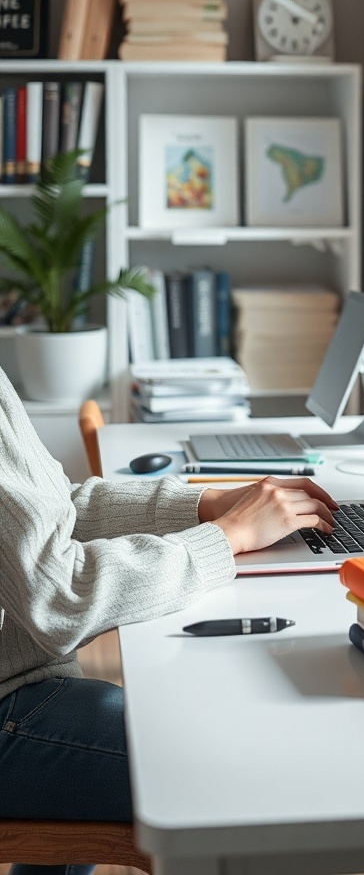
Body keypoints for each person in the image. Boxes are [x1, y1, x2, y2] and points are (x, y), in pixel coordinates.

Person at [0, 365, 337, 875]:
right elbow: (60, 599)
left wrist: (203, 505)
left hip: (20, 682)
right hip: (12, 705)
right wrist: (226, 538)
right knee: (243, 767)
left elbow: (49, 509)